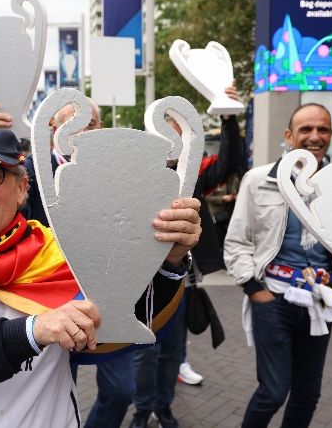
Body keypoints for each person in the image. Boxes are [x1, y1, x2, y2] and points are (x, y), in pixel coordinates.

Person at [0, 125, 201, 427]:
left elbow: (127, 319)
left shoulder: (60, 250)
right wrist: (35, 330)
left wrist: (170, 259)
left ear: (22, 188)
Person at [0, 99, 138, 428]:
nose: (87, 129)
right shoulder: (31, 173)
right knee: (53, 391)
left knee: (122, 390)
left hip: (103, 302)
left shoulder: (117, 176)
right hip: (47, 303)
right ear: (53, 130)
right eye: (76, 122)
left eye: (93, 123)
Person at [223, 103, 332, 428]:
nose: (315, 136)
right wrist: (255, 290)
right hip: (274, 299)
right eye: (306, 129)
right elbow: (236, 242)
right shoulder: (259, 180)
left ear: (331, 135)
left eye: (322, 129)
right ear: (289, 135)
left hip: (322, 302)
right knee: (273, 390)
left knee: (308, 393)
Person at [130, 87, 243, 428]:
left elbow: (229, 163)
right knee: (143, 352)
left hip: (181, 281)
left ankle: (163, 407)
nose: (174, 135)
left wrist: (228, 115)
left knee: (172, 352)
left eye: (180, 128)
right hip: (141, 280)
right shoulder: (134, 175)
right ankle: (141, 410)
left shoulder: (191, 173)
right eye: (168, 127)